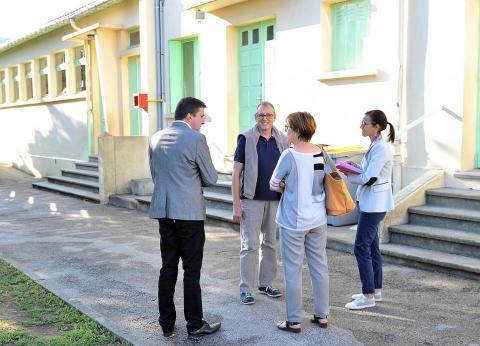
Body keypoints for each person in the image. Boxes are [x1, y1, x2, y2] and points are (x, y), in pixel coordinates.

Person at [149, 97, 221, 337]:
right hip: (189, 214)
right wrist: (191, 180)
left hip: (164, 212)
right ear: (189, 116)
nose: (203, 122)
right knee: (191, 270)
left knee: (168, 267)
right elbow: (210, 178)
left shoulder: (156, 138)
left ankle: (167, 324)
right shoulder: (196, 139)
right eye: (201, 117)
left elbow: (155, 174)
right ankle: (194, 324)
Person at [270, 112, 329, 333]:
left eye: (287, 127)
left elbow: (273, 184)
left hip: (293, 221)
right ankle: (322, 315)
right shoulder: (321, 152)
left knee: (293, 270)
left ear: (296, 130)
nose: (286, 132)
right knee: (319, 267)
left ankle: (293, 320)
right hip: (318, 218)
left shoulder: (289, 155)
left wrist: (286, 185)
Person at [232, 101, 289, 305]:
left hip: (275, 200)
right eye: (261, 115)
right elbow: (236, 172)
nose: (265, 118)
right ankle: (246, 289)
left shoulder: (282, 138)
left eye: (269, 115)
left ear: (275, 117)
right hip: (251, 200)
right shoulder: (246, 138)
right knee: (250, 245)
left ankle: (266, 284)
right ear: (256, 117)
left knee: (270, 244)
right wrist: (237, 204)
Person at [343, 109, 395, 310]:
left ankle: (368, 296)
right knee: (372, 248)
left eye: (365, 123)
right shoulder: (375, 145)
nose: (361, 126)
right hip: (370, 203)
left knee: (361, 248)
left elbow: (369, 177)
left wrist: (349, 175)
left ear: (377, 126)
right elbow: (369, 171)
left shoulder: (381, 148)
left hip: (374, 205)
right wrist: (353, 166)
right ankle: (376, 291)